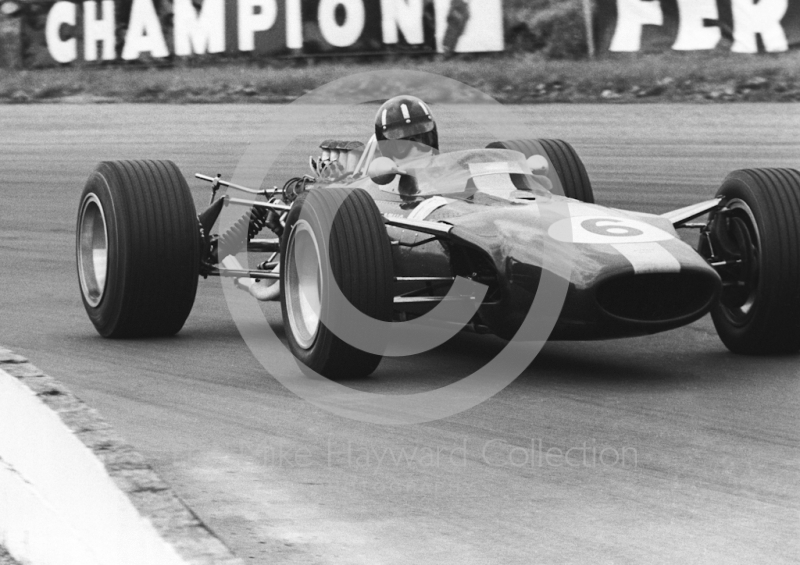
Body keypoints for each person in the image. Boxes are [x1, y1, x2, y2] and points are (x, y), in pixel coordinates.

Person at [374, 95, 439, 165]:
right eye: (401, 143)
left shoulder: (447, 171)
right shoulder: (380, 173)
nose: (415, 151)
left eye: (423, 138)